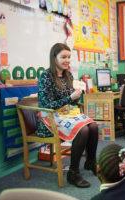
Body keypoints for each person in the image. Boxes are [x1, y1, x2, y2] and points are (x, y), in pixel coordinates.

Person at [37, 43, 98, 188]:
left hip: (66, 114)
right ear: (54, 58)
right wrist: (70, 98)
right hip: (49, 119)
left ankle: (91, 162)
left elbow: (71, 100)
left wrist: (77, 96)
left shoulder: (68, 75)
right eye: (63, 57)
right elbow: (46, 106)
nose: (67, 60)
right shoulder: (46, 76)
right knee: (83, 130)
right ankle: (73, 172)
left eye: (69, 57)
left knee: (93, 126)